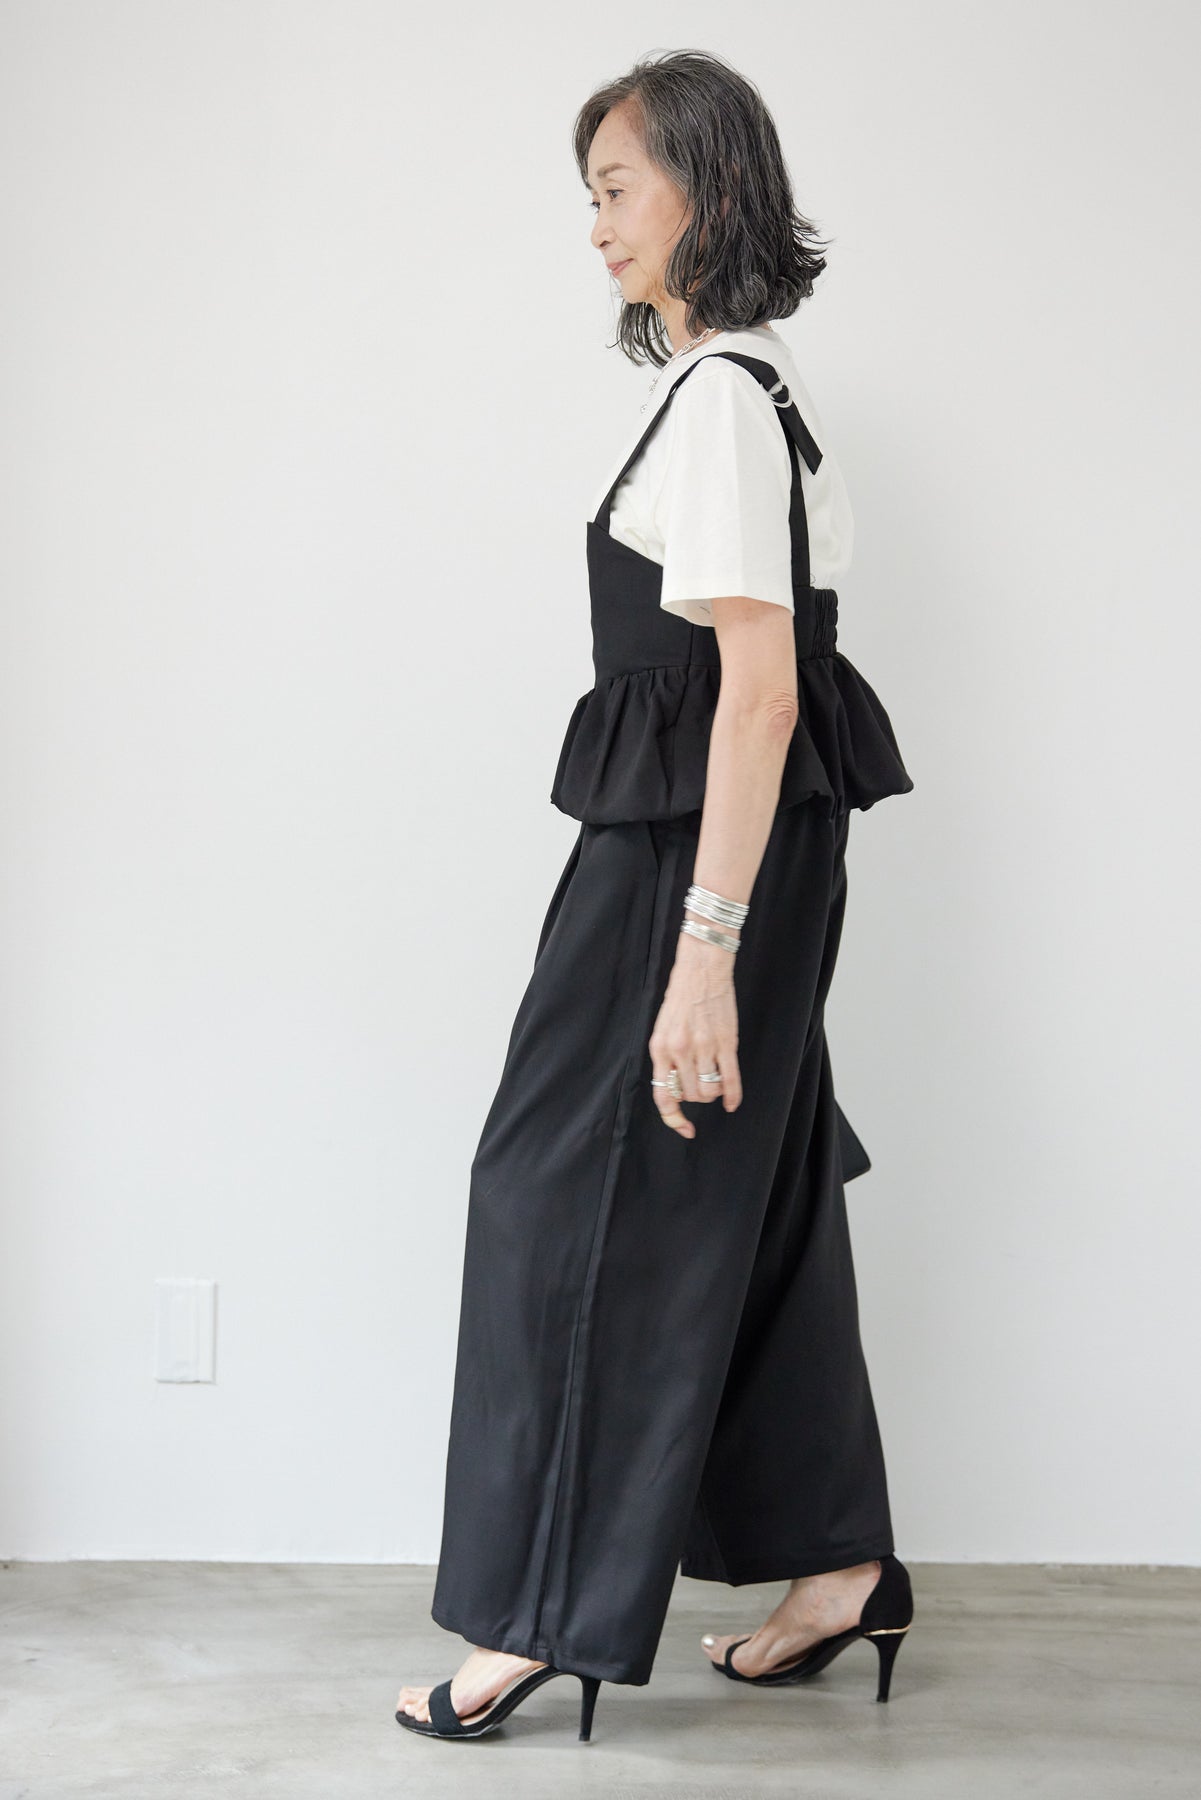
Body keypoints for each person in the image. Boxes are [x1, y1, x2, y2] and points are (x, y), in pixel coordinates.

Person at [396, 48, 916, 1744]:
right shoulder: (749, 392)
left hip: (694, 856)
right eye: (590, 195)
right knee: (757, 1196)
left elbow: (755, 696)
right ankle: (837, 1565)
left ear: (709, 184)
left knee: (565, 1195)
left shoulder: (719, 405)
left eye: (618, 186)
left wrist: (703, 950)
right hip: (738, 843)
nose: (597, 224)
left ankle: (541, 1613)